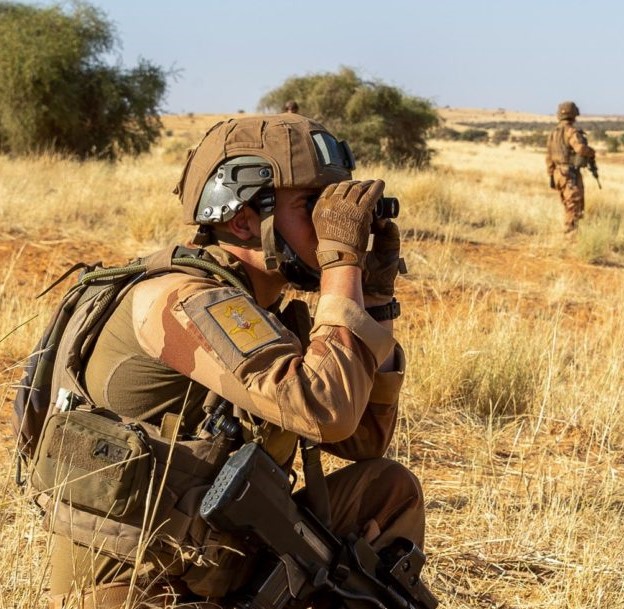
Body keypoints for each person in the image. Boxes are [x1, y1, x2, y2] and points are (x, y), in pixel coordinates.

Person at [37, 114, 426, 608]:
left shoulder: (260, 309)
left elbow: (364, 438)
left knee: (387, 490)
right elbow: (325, 410)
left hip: (224, 565)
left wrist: (373, 298)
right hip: (146, 588)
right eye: (313, 206)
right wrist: (341, 265)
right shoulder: (185, 300)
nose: (334, 225)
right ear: (242, 218)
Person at [545, 100, 596, 233]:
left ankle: (571, 234)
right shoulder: (571, 132)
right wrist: (591, 152)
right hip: (569, 174)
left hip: (558, 174)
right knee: (574, 206)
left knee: (568, 204)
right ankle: (570, 237)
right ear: (574, 114)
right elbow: (580, 149)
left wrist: (551, 175)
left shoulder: (553, 133)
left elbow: (548, 157)